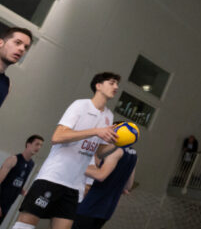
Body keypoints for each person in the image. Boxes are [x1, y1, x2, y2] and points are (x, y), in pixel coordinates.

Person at [11, 73, 119, 229]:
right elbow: (57, 137)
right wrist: (95, 131)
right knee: (24, 226)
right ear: (98, 86)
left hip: (74, 187)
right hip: (53, 178)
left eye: (117, 84)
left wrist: (118, 143)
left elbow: (98, 152)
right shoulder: (80, 105)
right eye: (112, 83)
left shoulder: (109, 116)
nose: (116, 87)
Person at [71, 144, 137, 229]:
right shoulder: (133, 154)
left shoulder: (116, 151)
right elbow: (128, 186)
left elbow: (100, 176)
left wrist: (72, 165)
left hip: (90, 205)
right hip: (107, 210)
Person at [0, 135, 43, 224]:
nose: (39, 147)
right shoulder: (13, 159)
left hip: (7, 205)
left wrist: (27, 194)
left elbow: (17, 184)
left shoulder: (31, 164)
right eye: (37, 144)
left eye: (40, 145)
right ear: (28, 144)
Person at [0, 27, 33, 109]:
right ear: (0, 43)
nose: (22, 49)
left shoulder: (7, 85)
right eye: (17, 43)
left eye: (26, 47)